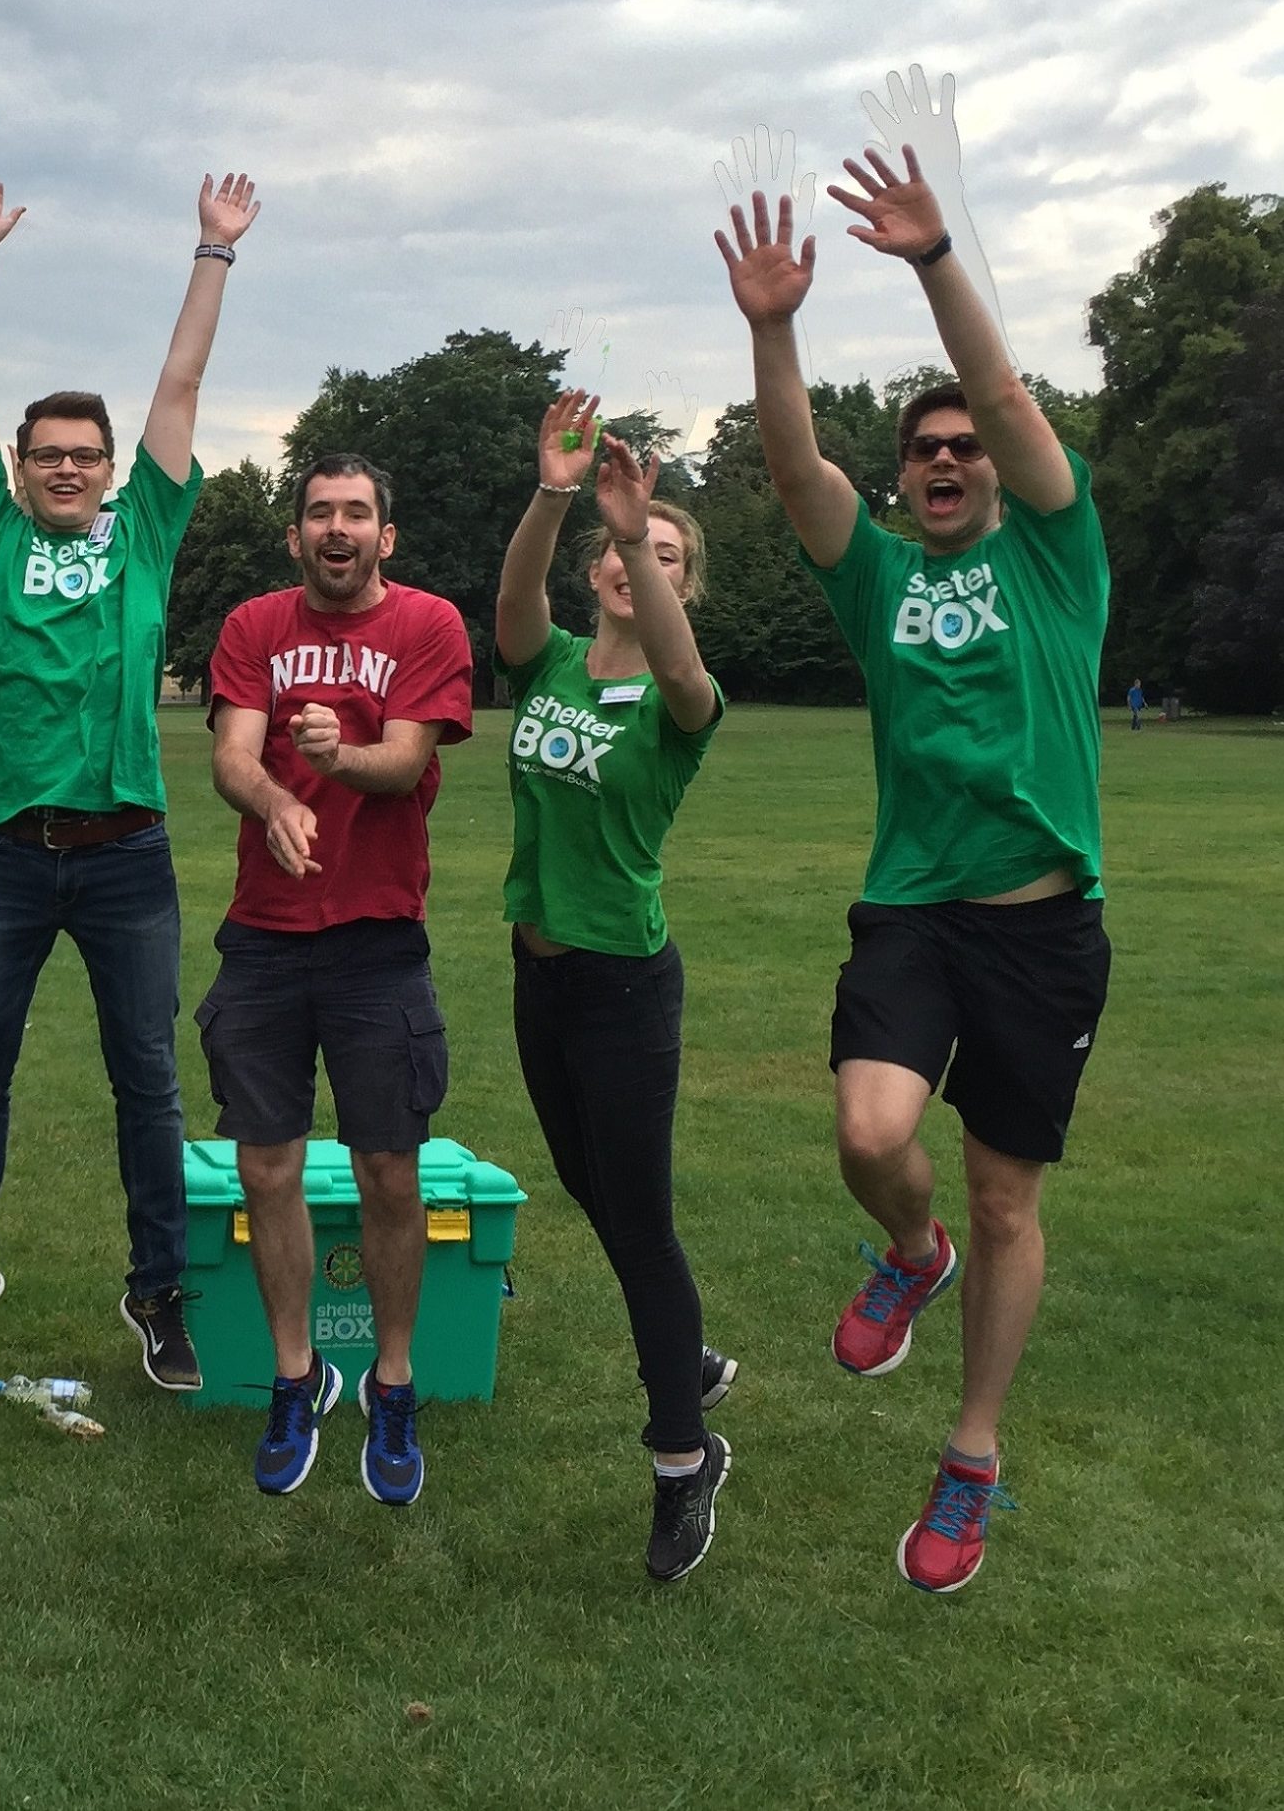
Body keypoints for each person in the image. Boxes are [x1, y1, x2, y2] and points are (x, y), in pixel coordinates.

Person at [717, 146, 1113, 1594]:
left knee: (1014, 1199)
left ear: (997, 470)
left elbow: (1007, 400)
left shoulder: (1059, 559)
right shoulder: (877, 574)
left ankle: (972, 1458)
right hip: (914, 915)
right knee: (873, 1133)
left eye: (965, 450)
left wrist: (937, 258)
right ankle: (910, 1247)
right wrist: (775, 327)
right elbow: (789, 465)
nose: (946, 462)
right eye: (923, 453)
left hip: (1045, 932)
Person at [0, 171, 262, 1386]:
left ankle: (158, 1291)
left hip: (126, 855)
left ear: (110, 468)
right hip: (8, 852)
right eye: (47, 454)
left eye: (84, 455)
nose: (67, 469)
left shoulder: (146, 529)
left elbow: (181, 385)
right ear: (16, 465)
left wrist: (210, 252)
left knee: (147, 1080)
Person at [495, 391, 739, 1581]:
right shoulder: (545, 664)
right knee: (588, 1187)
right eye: (621, 547)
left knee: (637, 1221)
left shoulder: (683, 704)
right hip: (535, 976)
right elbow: (508, 609)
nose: (632, 561)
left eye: (661, 554)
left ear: (676, 581)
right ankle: (680, 1352)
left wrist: (642, 525)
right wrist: (555, 492)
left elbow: (685, 672)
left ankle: (684, 1460)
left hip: (626, 988)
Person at [200, 452, 471, 1501]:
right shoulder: (255, 625)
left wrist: (338, 756)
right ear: (295, 534)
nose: (338, 527)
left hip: (374, 936)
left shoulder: (426, 626)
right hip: (264, 936)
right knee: (266, 1169)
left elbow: (404, 761)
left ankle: (390, 1382)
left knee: (388, 1174)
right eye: (319, 512)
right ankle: (293, 1373)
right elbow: (230, 753)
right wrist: (274, 801)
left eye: (357, 511)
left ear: (384, 535)